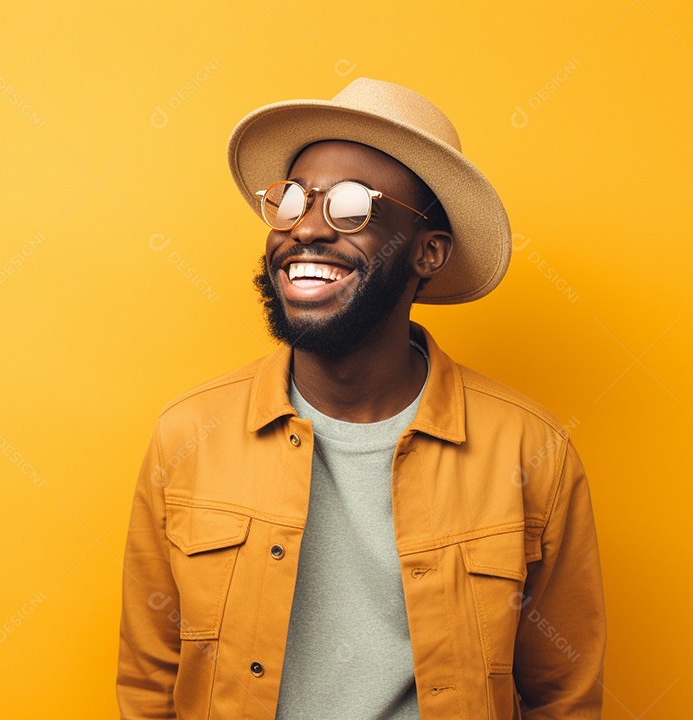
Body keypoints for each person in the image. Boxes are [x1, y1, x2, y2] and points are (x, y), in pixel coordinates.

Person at [116, 77, 606, 720]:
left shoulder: (530, 448)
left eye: (351, 206)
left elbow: (564, 698)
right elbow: (149, 685)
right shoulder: (187, 435)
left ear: (428, 251)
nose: (306, 231)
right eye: (291, 201)